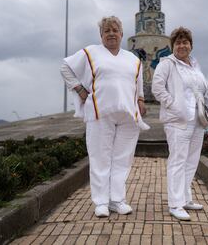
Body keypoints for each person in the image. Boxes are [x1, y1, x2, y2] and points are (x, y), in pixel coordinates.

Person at [60, 16, 149, 217]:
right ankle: (101, 202)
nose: (111, 33)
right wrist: (79, 90)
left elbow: (138, 84)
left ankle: (117, 200)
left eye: (115, 30)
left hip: (128, 115)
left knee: (122, 159)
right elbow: (65, 67)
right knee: (100, 158)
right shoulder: (91, 52)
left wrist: (141, 101)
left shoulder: (133, 59)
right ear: (101, 35)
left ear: (121, 34)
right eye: (106, 30)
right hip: (100, 113)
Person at [152, 26, 208, 220]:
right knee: (177, 160)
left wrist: (206, 110)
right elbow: (157, 88)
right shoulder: (167, 64)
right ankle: (175, 204)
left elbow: (202, 90)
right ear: (173, 46)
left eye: (185, 42)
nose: (182, 45)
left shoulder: (195, 65)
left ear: (191, 45)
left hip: (198, 120)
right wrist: (175, 107)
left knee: (191, 160)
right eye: (178, 42)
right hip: (178, 120)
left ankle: (185, 198)